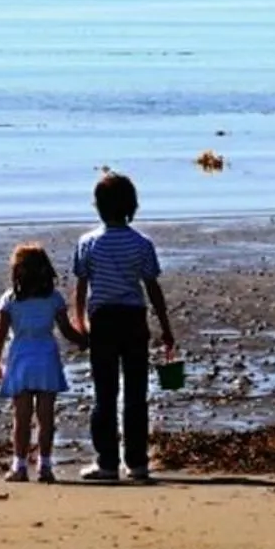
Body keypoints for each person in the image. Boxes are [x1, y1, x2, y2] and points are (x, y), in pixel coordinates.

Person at [71, 171, 177, 482]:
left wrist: (80, 322)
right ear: (131, 206)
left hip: (103, 319)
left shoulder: (88, 242)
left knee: (104, 393)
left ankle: (107, 462)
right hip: (133, 319)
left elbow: (80, 286)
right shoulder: (141, 243)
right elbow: (152, 287)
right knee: (135, 393)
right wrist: (165, 326)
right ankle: (137, 462)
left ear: (98, 206)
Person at [0, 243, 88, 483]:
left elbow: (0, 335)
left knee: (21, 418)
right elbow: (66, 331)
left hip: (21, 359)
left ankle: (19, 466)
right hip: (46, 359)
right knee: (46, 418)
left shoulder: (10, 299)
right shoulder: (53, 298)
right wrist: (86, 340)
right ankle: (45, 466)